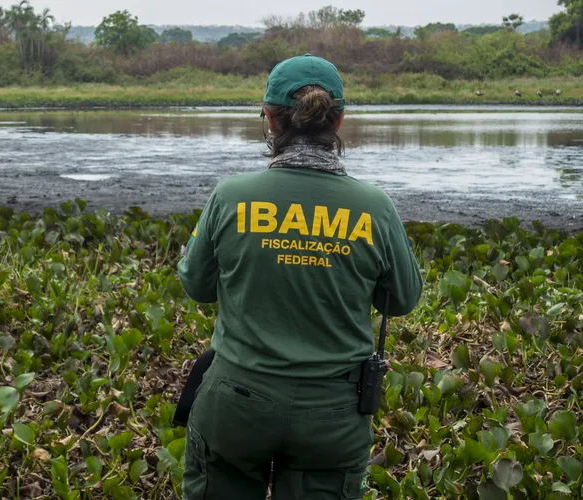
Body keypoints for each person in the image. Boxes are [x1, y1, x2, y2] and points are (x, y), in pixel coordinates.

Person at [176, 54, 424, 499]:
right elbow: (402, 299)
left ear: (270, 120)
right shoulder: (375, 207)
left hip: (236, 402)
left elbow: (196, 285)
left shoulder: (231, 196)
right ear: (340, 120)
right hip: (334, 413)